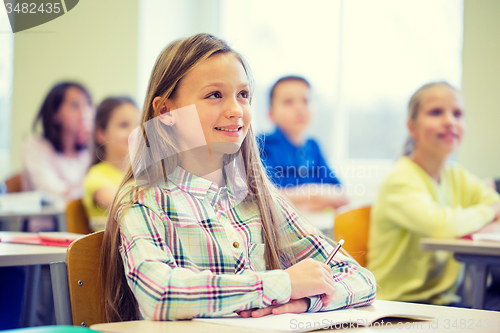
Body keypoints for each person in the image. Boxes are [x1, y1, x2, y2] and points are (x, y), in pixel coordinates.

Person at [99, 33, 376, 322]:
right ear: (166, 112)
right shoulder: (144, 197)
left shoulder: (259, 198)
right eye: (214, 95)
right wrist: (284, 284)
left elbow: (361, 279)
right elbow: (161, 294)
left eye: (243, 95)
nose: (236, 110)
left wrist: (306, 302)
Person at [367, 82, 500, 307]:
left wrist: (473, 219)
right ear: (412, 127)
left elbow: (495, 203)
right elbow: (441, 226)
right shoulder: (400, 179)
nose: (449, 121)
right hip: (399, 305)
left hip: (442, 301)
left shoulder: (454, 174)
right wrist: (485, 213)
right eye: (436, 112)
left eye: (457, 114)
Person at [258, 76, 348, 212]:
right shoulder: (262, 145)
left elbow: (341, 196)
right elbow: (265, 198)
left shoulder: (313, 146)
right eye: (288, 102)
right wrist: (316, 193)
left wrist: (298, 199)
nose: (299, 108)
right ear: (271, 114)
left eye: (306, 101)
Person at [23, 81, 93, 232]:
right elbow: (49, 191)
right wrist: (89, 192)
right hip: (44, 233)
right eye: (75, 106)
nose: (84, 114)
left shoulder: (89, 152)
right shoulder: (35, 146)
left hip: (81, 231)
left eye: (88, 105)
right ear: (55, 114)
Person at [83, 97, 140, 231]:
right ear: (101, 133)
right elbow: (124, 205)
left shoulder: (141, 173)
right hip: (114, 249)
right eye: (124, 125)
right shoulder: (96, 176)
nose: (134, 131)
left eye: (138, 125)